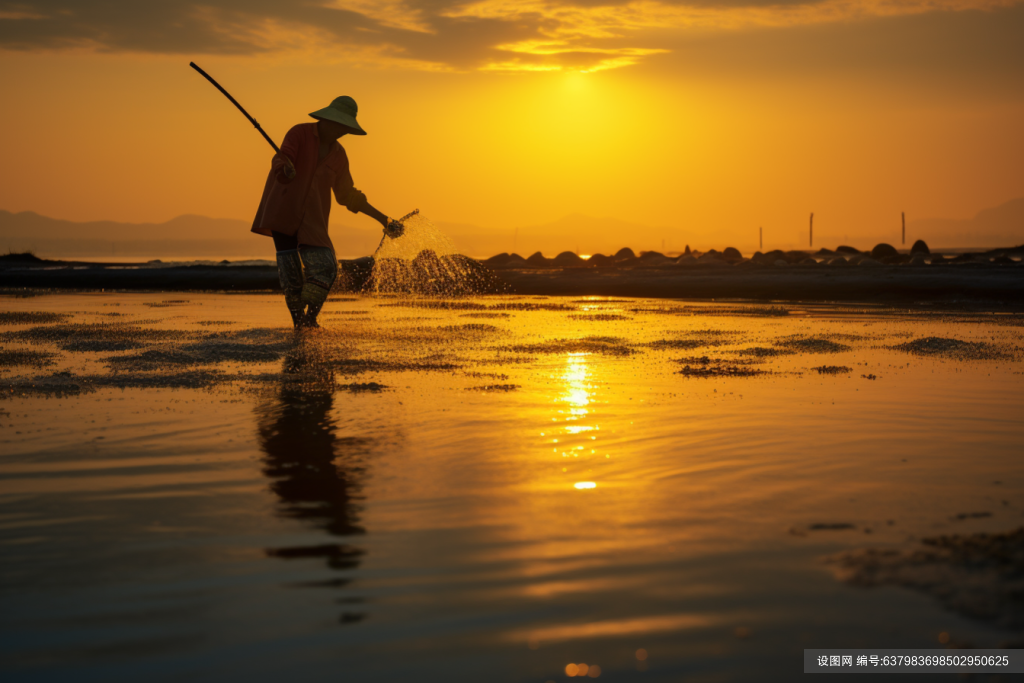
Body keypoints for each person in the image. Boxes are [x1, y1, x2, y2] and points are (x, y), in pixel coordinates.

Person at [252, 95, 402, 329]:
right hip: (283, 212)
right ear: (327, 120)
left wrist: (384, 219)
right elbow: (281, 160)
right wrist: (285, 170)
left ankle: (310, 318)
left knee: (327, 267)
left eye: (346, 128)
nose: (342, 132)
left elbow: (347, 195)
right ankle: (299, 323)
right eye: (340, 126)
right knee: (291, 273)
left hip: (313, 220)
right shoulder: (299, 133)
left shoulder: (339, 155)